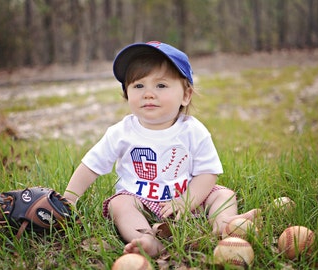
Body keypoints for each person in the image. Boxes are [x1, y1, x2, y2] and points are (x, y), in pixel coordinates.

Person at [64, 41, 259, 257]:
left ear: (186, 95)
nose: (148, 93)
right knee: (119, 204)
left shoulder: (193, 131)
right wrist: (69, 199)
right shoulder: (121, 133)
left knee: (224, 195)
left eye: (161, 85)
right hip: (140, 201)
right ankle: (146, 238)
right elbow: (91, 166)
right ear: (127, 94)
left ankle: (225, 225)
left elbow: (207, 173)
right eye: (138, 86)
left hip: (186, 196)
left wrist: (187, 201)